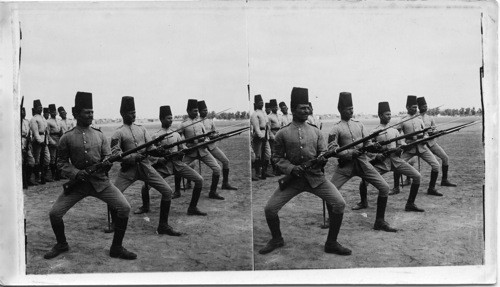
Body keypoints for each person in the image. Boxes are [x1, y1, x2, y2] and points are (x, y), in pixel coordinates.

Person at [44, 91, 136, 260]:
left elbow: (107, 157)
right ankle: (62, 244)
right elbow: (61, 162)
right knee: (54, 213)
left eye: (92, 112)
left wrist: (107, 163)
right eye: (87, 112)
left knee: (125, 208)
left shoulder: (99, 135)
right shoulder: (67, 137)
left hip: (101, 183)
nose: (91, 115)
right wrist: (76, 173)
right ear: (76, 113)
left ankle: (116, 247)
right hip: (77, 185)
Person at [259, 87, 351, 256]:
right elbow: (277, 158)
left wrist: (323, 158)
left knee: (339, 203)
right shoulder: (282, 133)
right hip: (293, 180)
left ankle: (331, 243)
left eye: (308, 107)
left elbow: (323, 152)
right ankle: (277, 239)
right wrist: (292, 169)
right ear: (293, 109)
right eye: (302, 108)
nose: (306, 110)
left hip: (316, 179)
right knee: (270, 209)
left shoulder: (316, 131)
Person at [110, 96, 181, 236]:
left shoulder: (142, 129)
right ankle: (114, 223)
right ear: (123, 114)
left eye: (135, 111)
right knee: (113, 195)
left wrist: (159, 151)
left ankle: (163, 226)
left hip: (146, 167)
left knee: (167, 191)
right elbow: (115, 154)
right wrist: (131, 157)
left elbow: (151, 147)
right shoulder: (118, 133)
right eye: (130, 112)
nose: (134, 114)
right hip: (128, 170)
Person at [328, 92, 397, 232]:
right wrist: (348, 153)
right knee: (330, 191)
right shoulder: (335, 128)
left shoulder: (359, 125)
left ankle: (379, 221)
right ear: (340, 110)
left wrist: (373, 148)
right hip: (346, 166)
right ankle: (331, 219)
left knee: (384, 188)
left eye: (352, 108)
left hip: (364, 164)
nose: (351, 111)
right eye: (348, 108)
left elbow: (368, 143)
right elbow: (332, 149)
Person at [136, 105, 207, 216]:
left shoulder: (176, 134)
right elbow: (150, 154)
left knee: (199, 180)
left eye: (171, 118)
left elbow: (183, 148)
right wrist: (159, 159)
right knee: (145, 187)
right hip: (164, 167)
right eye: (168, 118)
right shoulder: (156, 136)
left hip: (178, 165)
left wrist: (185, 151)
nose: (171, 120)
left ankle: (192, 208)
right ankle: (145, 206)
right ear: (161, 119)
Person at [355, 102, 424, 212]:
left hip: (396, 161)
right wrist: (376, 155)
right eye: (387, 114)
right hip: (382, 163)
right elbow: (367, 150)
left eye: (390, 114)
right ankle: (363, 202)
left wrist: (401, 149)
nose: (389, 116)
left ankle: (410, 204)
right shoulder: (374, 132)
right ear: (380, 115)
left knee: (417, 176)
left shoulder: (395, 131)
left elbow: (401, 144)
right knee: (364, 181)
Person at [395, 95, 442, 196]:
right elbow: (397, 135)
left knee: (436, 165)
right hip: (409, 148)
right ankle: (396, 188)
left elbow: (424, 131)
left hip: (422, 147)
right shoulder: (402, 120)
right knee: (397, 165)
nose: (415, 109)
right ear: (407, 107)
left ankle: (431, 188)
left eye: (416, 107)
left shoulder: (419, 118)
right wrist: (403, 143)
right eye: (413, 107)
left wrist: (425, 137)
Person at [178, 99, 224, 200]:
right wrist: (185, 147)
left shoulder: (200, 122)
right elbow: (178, 138)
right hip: (191, 153)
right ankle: (177, 191)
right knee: (178, 168)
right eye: (194, 111)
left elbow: (206, 135)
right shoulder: (183, 124)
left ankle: (213, 192)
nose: (197, 113)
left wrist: (205, 140)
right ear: (188, 111)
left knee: (217, 169)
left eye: (197, 111)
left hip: (203, 151)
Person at [197, 100, 238, 190]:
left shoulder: (210, 121)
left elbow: (215, 133)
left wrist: (215, 136)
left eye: (206, 110)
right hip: (199, 148)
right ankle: (185, 185)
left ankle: (225, 183)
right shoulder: (195, 122)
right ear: (199, 111)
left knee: (226, 161)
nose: (206, 111)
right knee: (189, 165)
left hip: (211, 146)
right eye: (203, 110)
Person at [417, 97, 457, 187]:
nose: (425, 107)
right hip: (419, 144)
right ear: (419, 107)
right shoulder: (415, 118)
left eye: (426, 105)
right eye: (423, 106)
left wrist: (435, 132)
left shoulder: (430, 118)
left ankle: (444, 180)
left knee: (445, 158)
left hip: (431, 143)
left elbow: (434, 129)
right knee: (408, 162)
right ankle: (406, 180)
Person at [250, 95, 273, 179]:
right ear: (256, 104)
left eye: (262, 102)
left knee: (268, 154)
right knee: (257, 155)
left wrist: (267, 136)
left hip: (265, 136)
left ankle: (264, 171)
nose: (261, 104)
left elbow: (267, 125)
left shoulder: (263, 113)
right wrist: (261, 136)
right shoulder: (255, 114)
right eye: (259, 103)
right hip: (259, 137)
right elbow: (256, 128)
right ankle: (258, 173)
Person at [29, 100, 52, 184]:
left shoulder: (43, 118)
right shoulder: (34, 119)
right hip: (38, 141)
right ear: (35, 109)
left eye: (41, 107)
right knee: (37, 160)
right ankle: (37, 178)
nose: (41, 109)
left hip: (44, 140)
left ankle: (44, 175)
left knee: (47, 159)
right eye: (39, 108)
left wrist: (46, 141)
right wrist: (40, 141)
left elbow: (46, 131)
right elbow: (35, 132)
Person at [21, 107, 36, 188]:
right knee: (22, 163)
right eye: (22, 111)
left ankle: (28, 179)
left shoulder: (27, 121)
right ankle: (23, 181)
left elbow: (29, 132)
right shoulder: (17, 122)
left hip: (27, 142)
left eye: (24, 111)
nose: (23, 113)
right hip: (21, 142)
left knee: (31, 162)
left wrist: (29, 140)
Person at [47, 104, 63, 181]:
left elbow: (61, 132)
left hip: (59, 139)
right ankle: (53, 175)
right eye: (52, 111)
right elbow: (47, 134)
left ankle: (58, 174)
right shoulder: (48, 122)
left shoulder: (59, 121)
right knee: (53, 158)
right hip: (52, 139)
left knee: (59, 158)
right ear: (50, 112)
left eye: (55, 111)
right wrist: (52, 142)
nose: (54, 113)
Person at [267, 99, 281, 175]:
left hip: (280, 135)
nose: (276, 108)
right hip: (273, 135)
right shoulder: (269, 117)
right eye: (274, 107)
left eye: (276, 107)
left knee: (280, 153)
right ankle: (274, 169)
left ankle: (279, 168)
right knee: (273, 153)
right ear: (271, 108)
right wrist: (272, 137)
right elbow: (268, 129)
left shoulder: (279, 116)